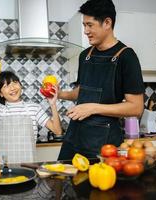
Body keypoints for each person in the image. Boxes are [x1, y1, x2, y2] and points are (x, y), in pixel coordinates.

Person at [57, 0, 145, 159]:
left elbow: (136, 107)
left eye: (90, 25)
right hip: (75, 136)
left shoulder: (126, 57)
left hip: (105, 142)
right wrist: (60, 94)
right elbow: (81, 91)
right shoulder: (86, 56)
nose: (85, 31)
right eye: (84, 25)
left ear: (107, 23)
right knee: (62, 180)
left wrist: (93, 108)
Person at [0, 65, 62, 163]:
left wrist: (53, 104)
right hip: (6, 170)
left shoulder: (34, 108)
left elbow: (57, 131)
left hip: (30, 167)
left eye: (15, 82)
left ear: (20, 85)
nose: (12, 88)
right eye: (6, 86)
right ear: (1, 93)